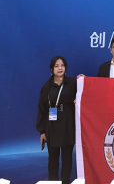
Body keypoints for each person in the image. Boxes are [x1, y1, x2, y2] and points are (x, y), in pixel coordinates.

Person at [36, 56, 77, 184]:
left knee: (67, 159)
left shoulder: (73, 83)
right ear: (51, 69)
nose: (60, 68)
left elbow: (84, 96)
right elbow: (42, 109)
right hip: (52, 127)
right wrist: (42, 131)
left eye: (62, 65)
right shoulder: (46, 87)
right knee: (53, 160)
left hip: (68, 127)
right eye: (56, 66)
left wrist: (83, 82)